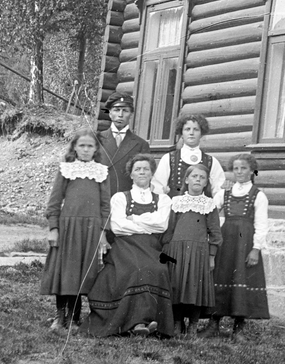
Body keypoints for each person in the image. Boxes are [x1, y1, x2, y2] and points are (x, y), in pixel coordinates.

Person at [86, 155, 176, 338]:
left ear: (152, 173)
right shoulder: (120, 197)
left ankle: (147, 321)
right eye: (138, 169)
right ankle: (136, 323)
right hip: (125, 245)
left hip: (151, 246)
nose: (142, 172)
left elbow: (161, 225)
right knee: (135, 269)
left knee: (157, 269)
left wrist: (133, 219)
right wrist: (146, 223)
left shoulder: (163, 199)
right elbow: (118, 226)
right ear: (131, 174)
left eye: (146, 169)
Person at [38, 127, 111, 332]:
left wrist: (103, 232)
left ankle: (74, 318)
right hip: (68, 227)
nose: (86, 150)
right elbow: (54, 201)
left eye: (90, 146)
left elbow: (106, 205)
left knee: (81, 273)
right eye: (82, 146)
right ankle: (59, 317)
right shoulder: (66, 169)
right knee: (65, 271)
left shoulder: (101, 172)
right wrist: (54, 228)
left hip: (91, 229)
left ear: (96, 149)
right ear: (75, 148)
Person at [209, 153, 269, 337]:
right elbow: (210, 212)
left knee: (242, 278)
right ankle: (213, 325)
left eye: (243, 168)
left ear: (252, 170)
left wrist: (256, 249)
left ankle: (239, 327)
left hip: (245, 243)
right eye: (236, 168)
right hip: (226, 241)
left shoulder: (258, 196)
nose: (239, 172)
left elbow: (261, 224)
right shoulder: (224, 193)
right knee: (221, 276)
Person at [160, 163, 221, 337]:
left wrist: (211, 256)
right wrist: (165, 249)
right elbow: (169, 229)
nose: (197, 179)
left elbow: (215, 233)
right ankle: (177, 323)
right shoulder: (176, 202)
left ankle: (193, 325)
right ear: (186, 180)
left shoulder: (208, 204)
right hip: (176, 251)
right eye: (194, 176)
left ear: (205, 183)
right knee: (177, 286)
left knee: (196, 288)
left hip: (199, 252)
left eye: (202, 178)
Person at [153, 113, 225, 198]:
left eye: (196, 129)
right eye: (187, 129)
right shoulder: (168, 158)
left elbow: (218, 191)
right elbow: (158, 187)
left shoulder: (211, 161)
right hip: (174, 208)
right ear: (182, 133)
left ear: (201, 134)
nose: (191, 133)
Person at [97, 92, 151, 195]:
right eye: (116, 110)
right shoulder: (96, 139)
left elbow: (144, 178)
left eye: (125, 110)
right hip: (100, 199)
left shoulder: (141, 144)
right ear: (110, 113)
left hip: (126, 201)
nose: (120, 115)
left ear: (131, 114)